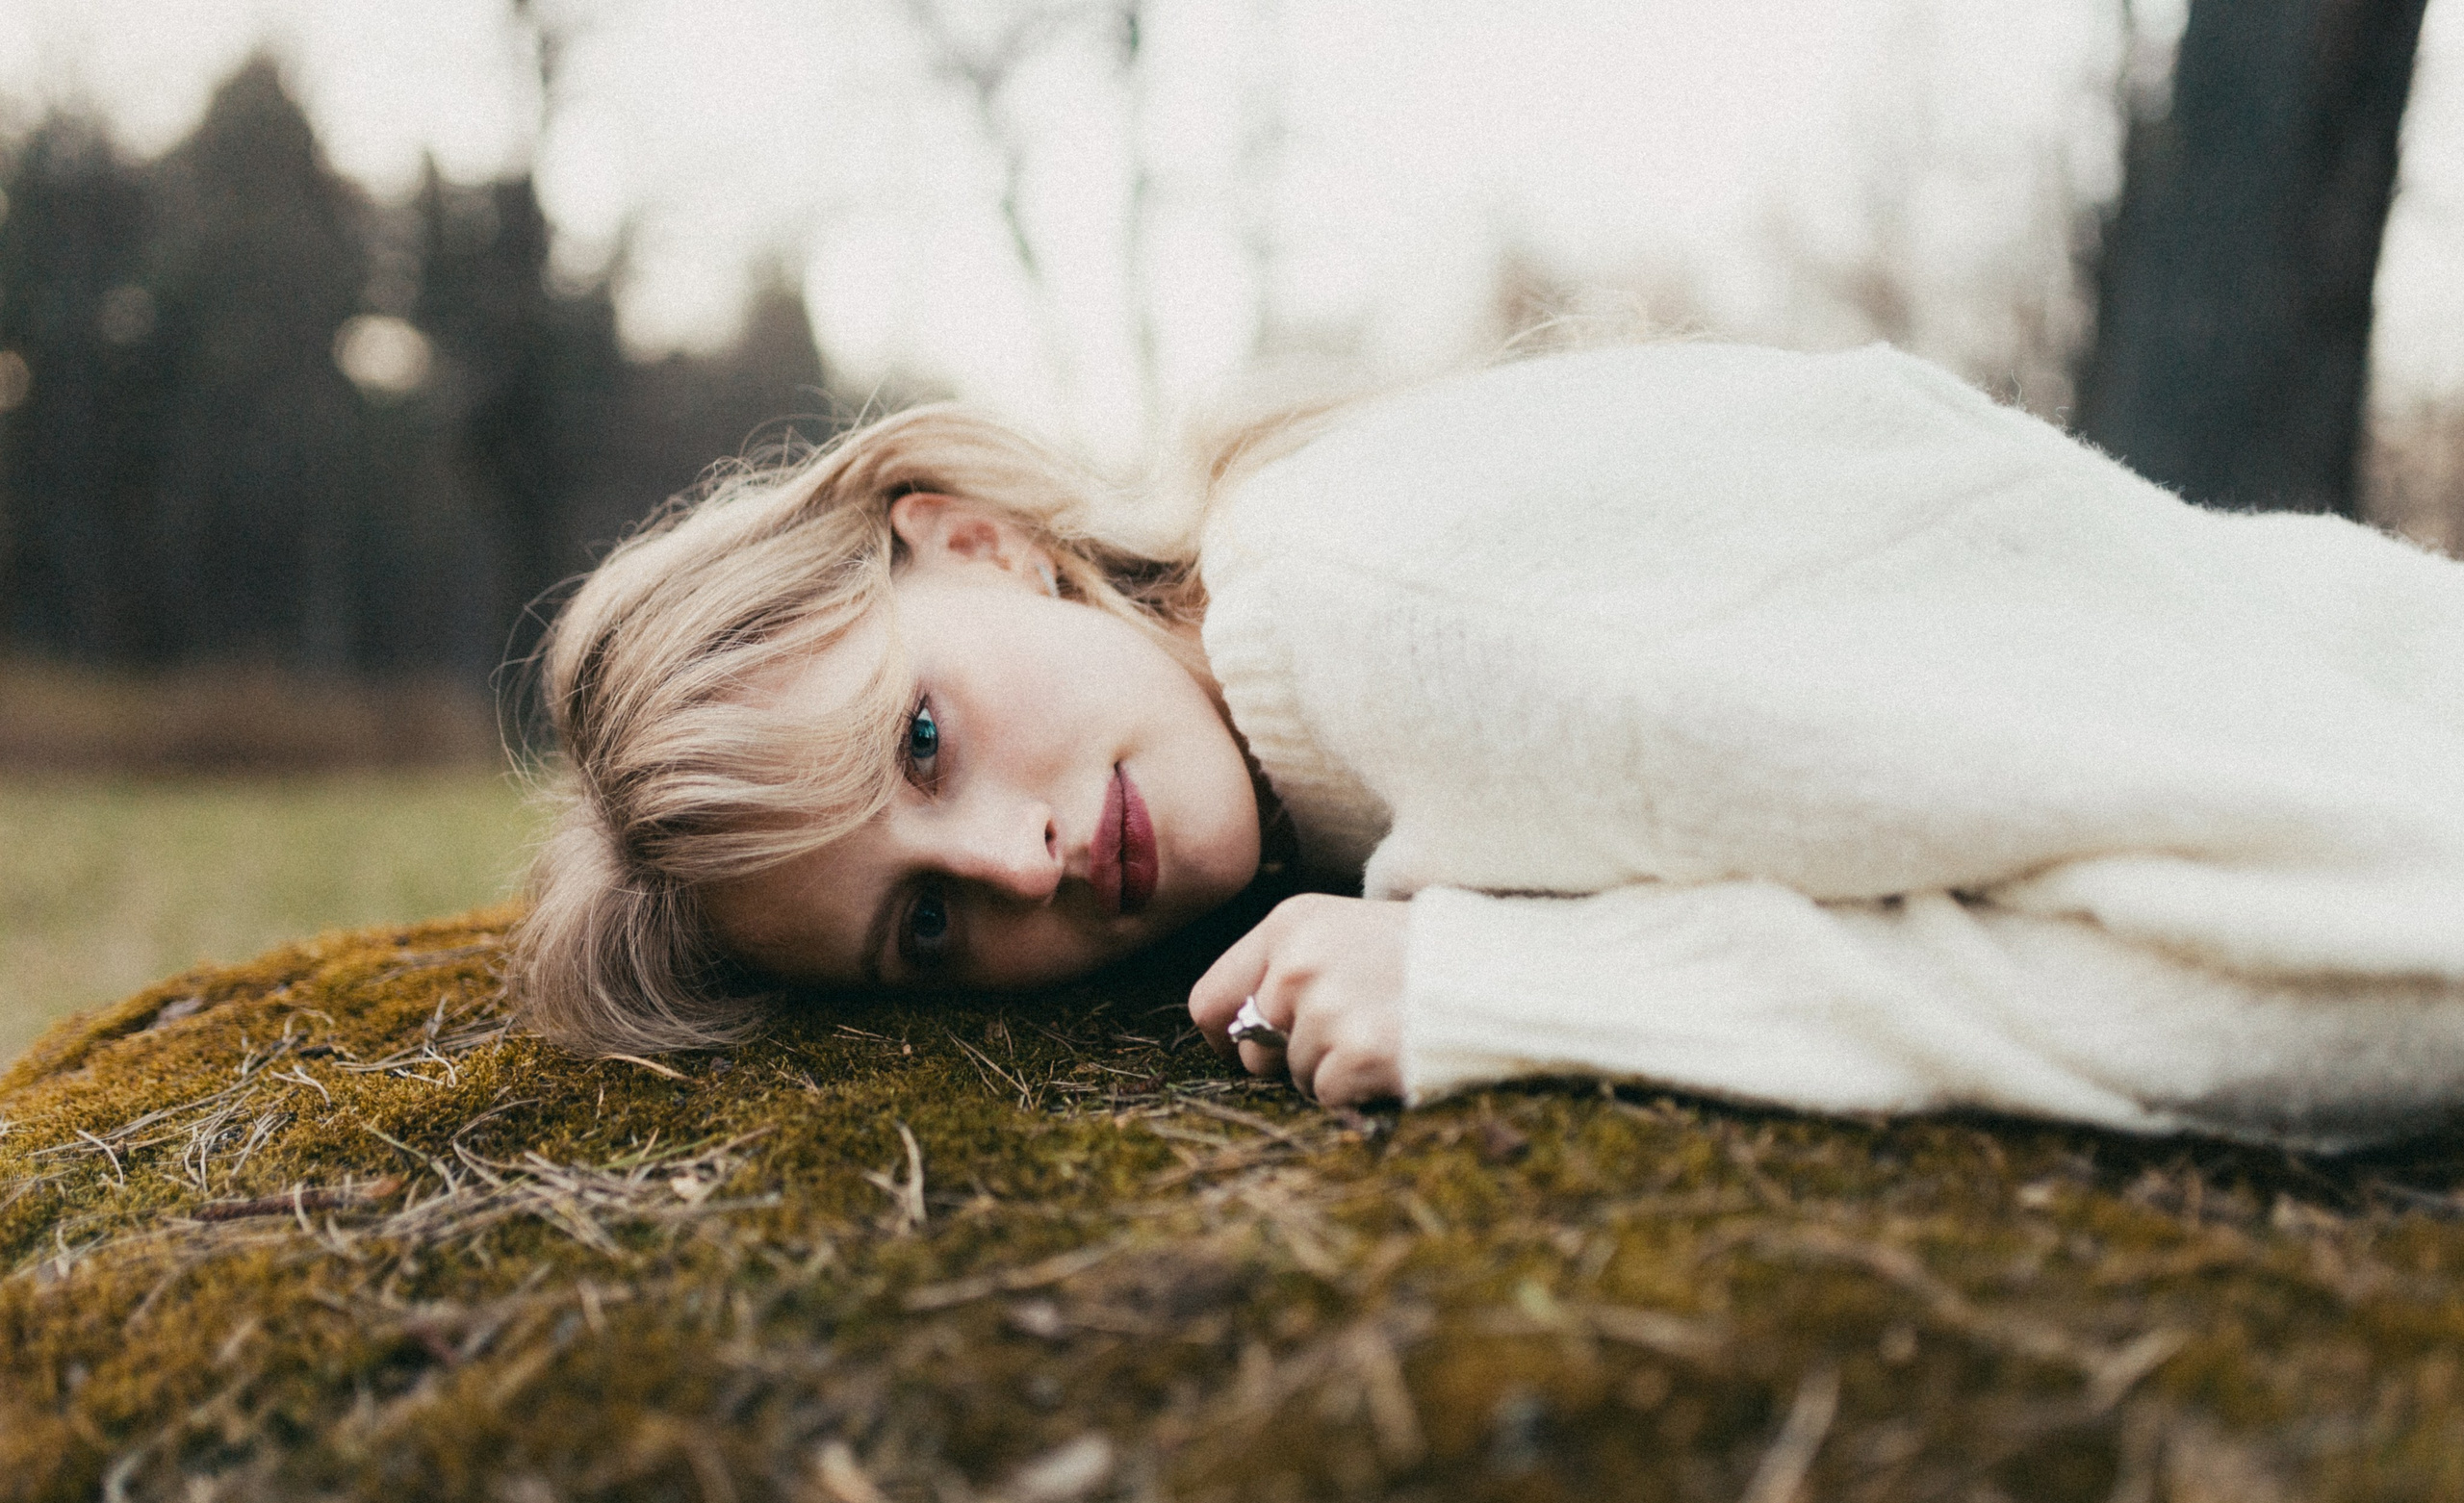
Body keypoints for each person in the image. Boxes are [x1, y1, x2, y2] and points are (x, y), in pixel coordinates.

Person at [512, 340, 2464, 1151]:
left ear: (974, 540)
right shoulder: (1315, 683)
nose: (1018, 865)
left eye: (921, 738)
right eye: (923, 929)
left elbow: (2395, 963)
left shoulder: (1422, 618)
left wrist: (1531, 988)